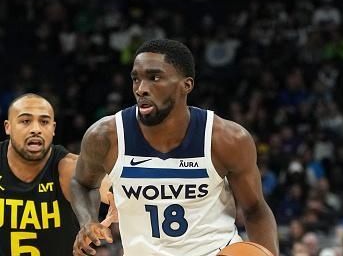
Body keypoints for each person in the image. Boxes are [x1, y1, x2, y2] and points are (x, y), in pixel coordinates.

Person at [70, 39, 279, 256]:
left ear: (186, 85)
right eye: (136, 79)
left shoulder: (226, 139)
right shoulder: (106, 136)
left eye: (155, 78)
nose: (141, 89)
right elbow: (82, 183)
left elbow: (255, 210)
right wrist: (87, 221)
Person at [0, 93, 117, 256]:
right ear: (8, 127)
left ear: (53, 129)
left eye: (44, 122)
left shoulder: (66, 167)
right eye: (25, 121)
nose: (36, 129)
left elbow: (108, 186)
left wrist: (123, 199)